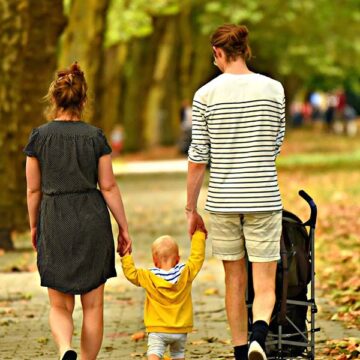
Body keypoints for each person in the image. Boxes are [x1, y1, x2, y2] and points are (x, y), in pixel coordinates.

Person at [186, 24, 285, 360]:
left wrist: (190, 208)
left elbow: (198, 157)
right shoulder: (274, 90)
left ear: (218, 53)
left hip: (223, 201)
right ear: (246, 50)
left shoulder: (205, 96)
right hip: (263, 196)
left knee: (234, 280)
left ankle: (241, 352)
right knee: (266, 281)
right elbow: (275, 144)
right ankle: (260, 334)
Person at [24, 62, 132, 360]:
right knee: (93, 306)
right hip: (91, 219)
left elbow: (33, 190)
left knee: (60, 305)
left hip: (55, 218)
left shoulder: (39, 138)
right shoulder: (95, 137)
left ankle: (65, 349)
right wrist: (123, 227)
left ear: (54, 98)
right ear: (83, 99)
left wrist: (35, 226)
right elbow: (108, 187)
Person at [119, 230, 206, 360]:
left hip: (157, 329)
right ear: (177, 259)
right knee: (178, 354)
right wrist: (199, 235)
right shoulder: (186, 273)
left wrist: (125, 255)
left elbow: (132, 274)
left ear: (154, 260)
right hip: (180, 329)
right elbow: (197, 258)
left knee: (154, 352)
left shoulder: (148, 276)